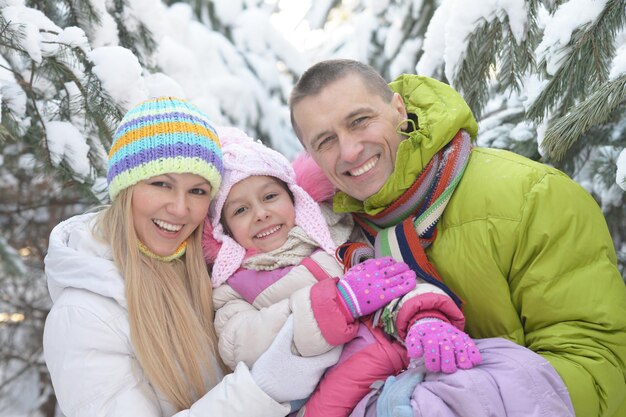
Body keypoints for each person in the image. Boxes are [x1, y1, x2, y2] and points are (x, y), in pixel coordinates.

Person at [289, 59, 626, 417]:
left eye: (359, 121)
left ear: (398, 109)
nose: (350, 150)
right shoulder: (334, 241)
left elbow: (599, 368)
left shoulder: (530, 196)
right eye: (326, 141)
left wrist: (457, 402)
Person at [42, 97, 343, 417]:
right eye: (161, 184)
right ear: (125, 189)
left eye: (197, 191)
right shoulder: (83, 316)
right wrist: (261, 389)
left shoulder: (206, 269)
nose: (180, 208)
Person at [201, 127, 481, 417]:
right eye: (240, 210)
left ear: (295, 197)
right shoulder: (234, 285)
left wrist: (424, 316)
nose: (261, 213)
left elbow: (397, 278)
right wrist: (337, 303)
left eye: (270, 196)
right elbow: (240, 344)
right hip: (334, 398)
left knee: (506, 371)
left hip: (405, 359)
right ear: (225, 230)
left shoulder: (339, 237)